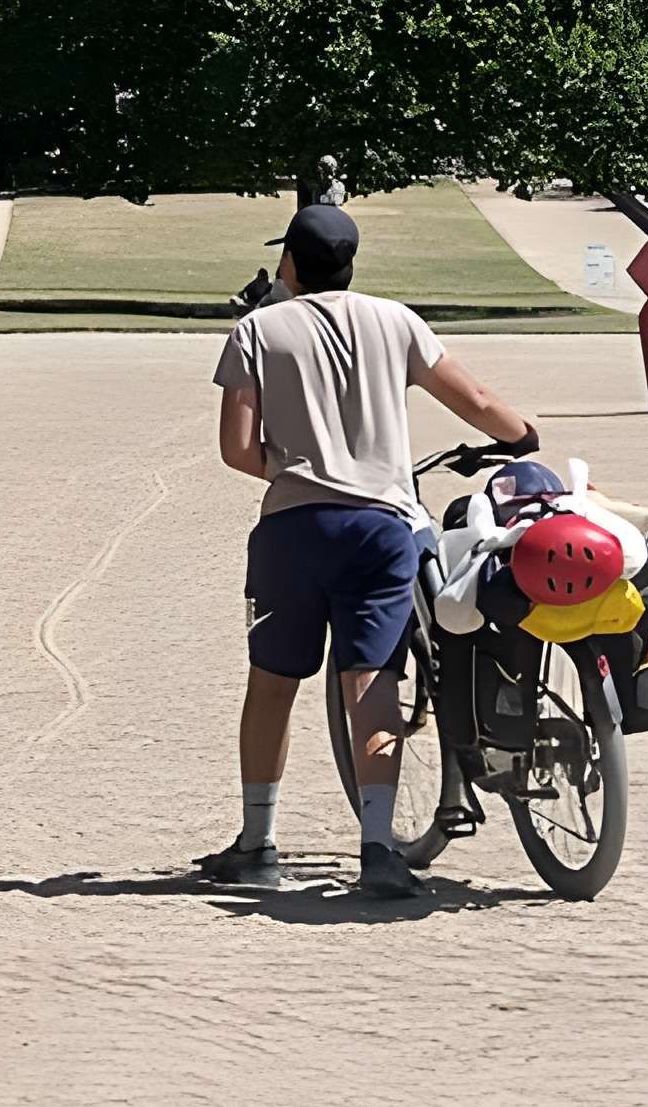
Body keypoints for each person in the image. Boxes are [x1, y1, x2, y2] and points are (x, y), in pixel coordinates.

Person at [202, 201, 536, 899]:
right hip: (384, 527)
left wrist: (299, 470)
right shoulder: (395, 321)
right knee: (374, 681)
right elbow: (472, 397)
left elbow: (238, 449)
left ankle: (258, 842)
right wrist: (519, 433)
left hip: (294, 528)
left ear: (289, 262)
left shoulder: (257, 330)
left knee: (272, 684)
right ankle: (379, 847)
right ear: (350, 264)